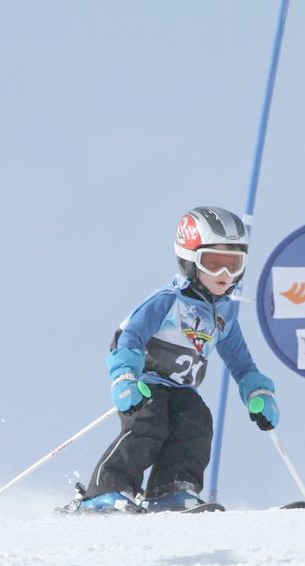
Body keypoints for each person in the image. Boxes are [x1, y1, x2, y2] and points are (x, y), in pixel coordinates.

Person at [69, 206, 280, 513]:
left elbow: (241, 362)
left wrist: (257, 392)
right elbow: (128, 336)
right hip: (148, 385)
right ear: (189, 259)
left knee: (197, 423)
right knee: (148, 425)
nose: (224, 274)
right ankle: (106, 490)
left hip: (183, 390)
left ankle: (171, 488)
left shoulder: (224, 314)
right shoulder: (168, 300)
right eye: (213, 263)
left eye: (234, 264)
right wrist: (124, 376)